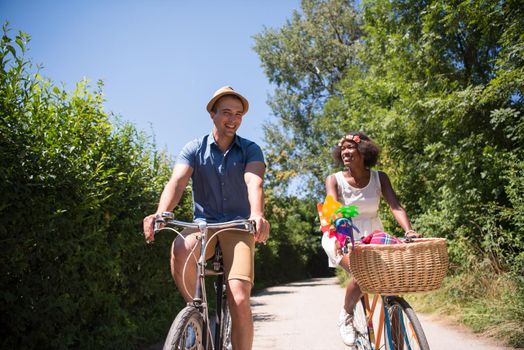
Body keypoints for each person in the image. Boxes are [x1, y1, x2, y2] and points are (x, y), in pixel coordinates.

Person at [143, 86, 270, 350]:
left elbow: (253, 182)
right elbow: (177, 182)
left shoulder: (251, 149)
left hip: (238, 226)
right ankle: (195, 316)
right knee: (180, 247)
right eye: (226, 112)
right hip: (204, 225)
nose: (233, 119)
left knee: (239, 299)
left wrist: (257, 214)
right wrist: (161, 212)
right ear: (212, 114)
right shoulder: (194, 148)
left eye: (238, 114)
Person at [321, 131, 420, 346]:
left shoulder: (379, 177)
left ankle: (396, 335)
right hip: (341, 233)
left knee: (390, 282)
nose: (344, 151)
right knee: (362, 274)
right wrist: (340, 231)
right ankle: (346, 316)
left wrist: (409, 231)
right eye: (342, 148)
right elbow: (332, 207)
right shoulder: (334, 179)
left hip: (372, 234)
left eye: (350, 147)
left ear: (364, 151)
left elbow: (395, 206)